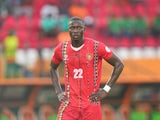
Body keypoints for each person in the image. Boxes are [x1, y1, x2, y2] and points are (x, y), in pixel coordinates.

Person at [50, 16, 124, 120]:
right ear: (68, 30)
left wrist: (106, 89)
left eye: (78, 28)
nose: (75, 30)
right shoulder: (61, 49)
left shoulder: (96, 47)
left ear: (84, 29)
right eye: (72, 27)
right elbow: (52, 68)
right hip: (70, 104)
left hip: (91, 104)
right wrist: (58, 91)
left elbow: (119, 64)